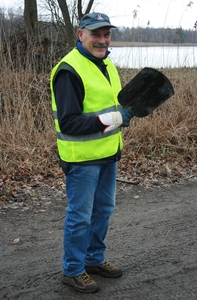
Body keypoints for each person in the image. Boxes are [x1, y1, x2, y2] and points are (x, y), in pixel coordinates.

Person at [50, 12, 134, 294]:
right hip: (82, 160)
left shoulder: (106, 63)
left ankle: (94, 259)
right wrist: (118, 118)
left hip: (107, 154)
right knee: (80, 216)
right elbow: (70, 122)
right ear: (80, 34)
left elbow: (109, 105)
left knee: (104, 211)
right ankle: (73, 270)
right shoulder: (69, 70)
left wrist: (127, 111)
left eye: (106, 34)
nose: (102, 40)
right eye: (95, 34)